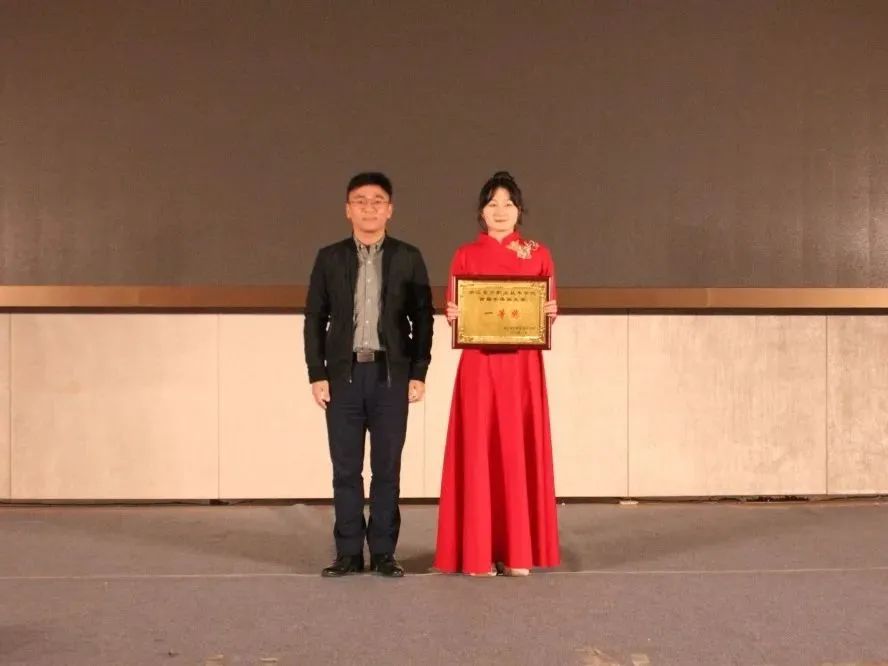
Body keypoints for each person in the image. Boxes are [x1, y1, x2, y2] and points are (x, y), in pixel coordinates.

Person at [304, 172, 434, 577]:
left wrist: (419, 371)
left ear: (389, 209)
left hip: (389, 376)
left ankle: (383, 552)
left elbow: (423, 319)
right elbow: (314, 318)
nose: (369, 208)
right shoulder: (330, 258)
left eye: (377, 201)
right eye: (360, 201)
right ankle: (347, 552)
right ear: (348, 210)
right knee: (345, 470)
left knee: (386, 469)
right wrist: (316, 372)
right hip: (342, 377)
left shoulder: (408, 257)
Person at [434, 171, 559, 576]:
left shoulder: (538, 254)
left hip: (522, 367)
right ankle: (477, 552)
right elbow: (455, 307)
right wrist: (454, 313)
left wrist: (548, 312)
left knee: (516, 449)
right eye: (492, 204)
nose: (500, 211)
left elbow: (546, 308)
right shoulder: (464, 255)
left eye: (508, 204)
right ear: (481, 212)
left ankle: (518, 551)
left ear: (519, 210)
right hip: (479, 365)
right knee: (478, 449)